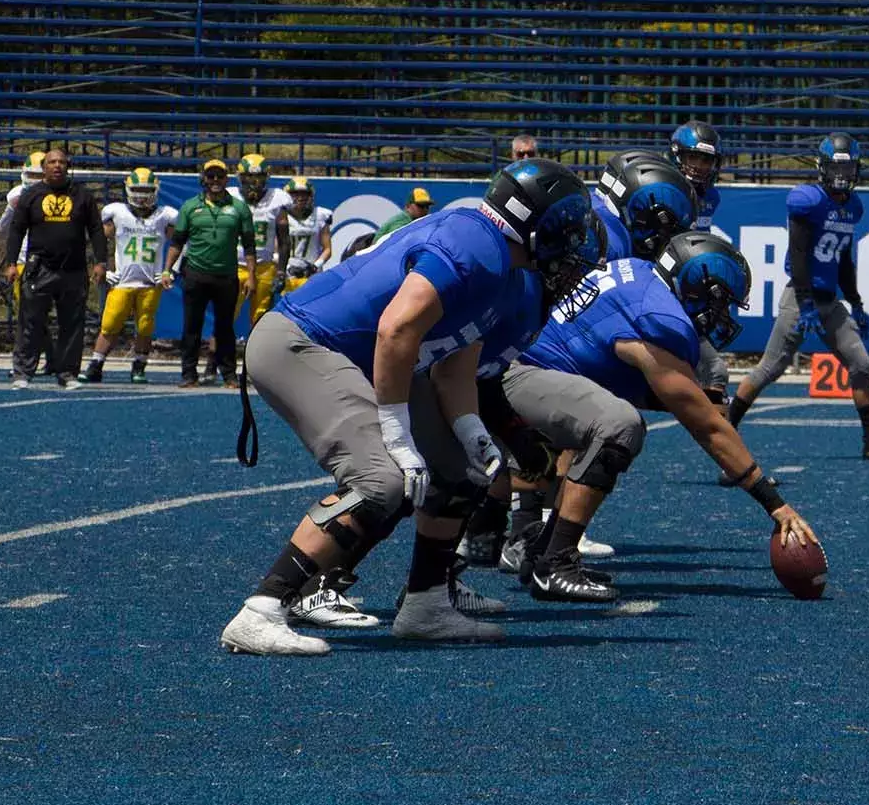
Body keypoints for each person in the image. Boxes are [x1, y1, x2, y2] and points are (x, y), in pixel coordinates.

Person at [220, 158, 600, 655]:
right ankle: (262, 608)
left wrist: (469, 426)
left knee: (461, 471)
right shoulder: (476, 243)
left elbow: (455, 357)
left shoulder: (503, 268)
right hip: (305, 342)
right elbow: (396, 328)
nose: (569, 247)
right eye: (563, 228)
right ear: (534, 220)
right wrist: (398, 435)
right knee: (384, 480)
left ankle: (426, 603)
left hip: (359, 357)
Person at [488, 232, 823, 598]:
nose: (722, 315)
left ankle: (543, 553)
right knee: (619, 425)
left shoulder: (638, 274)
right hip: (519, 379)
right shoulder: (661, 318)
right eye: (721, 302)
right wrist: (775, 505)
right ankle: (555, 563)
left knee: (603, 423)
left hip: (514, 371)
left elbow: (612, 368)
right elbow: (708, 428)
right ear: (698, 288)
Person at [726, 133, 869, 462]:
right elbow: (798, 255)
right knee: (770, 368)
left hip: (830, 301)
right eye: (836, 167)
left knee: (861, 363)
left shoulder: (853, 206)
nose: (842, 174)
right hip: (801, 298)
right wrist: (806, 302)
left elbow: (843, 259)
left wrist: (856, 302)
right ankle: (725, 429)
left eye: (848, 167)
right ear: (821, 167)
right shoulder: (807, 200)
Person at [0, 150, 109, 390]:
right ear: (44, 167)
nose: (57, 166)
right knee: (30, 321)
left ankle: (68, 373)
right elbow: (16, 230)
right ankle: (23, 372)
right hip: (40, 269)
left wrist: (101, 262)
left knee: (72, 324)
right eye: (52, 162)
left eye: (61, 162)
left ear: (68, 166)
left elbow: (96, 230)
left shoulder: (82, 196)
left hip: (73, 269)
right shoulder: (31, 196)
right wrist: (10, 263)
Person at [165, 160, 256, 388]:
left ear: (227, 179)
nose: (215, 181)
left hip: (226, 276)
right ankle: (189, 374)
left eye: (220, 176)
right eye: (211, 176)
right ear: (203, 179)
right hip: (196, 274)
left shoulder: (239, 207)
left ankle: (229, 375)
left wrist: (252, 275)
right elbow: (177, 241)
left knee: (225, 327)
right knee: (191, 326)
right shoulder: (189, 207)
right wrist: (167, 269)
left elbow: (250, 245)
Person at [85, 169, 176, 384]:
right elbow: (99, 241)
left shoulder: (165, 215)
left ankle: (139, 366)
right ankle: (96, 364)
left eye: (147, 191)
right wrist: (104, 267)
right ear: (128, 189)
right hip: (122, 281)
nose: (142, 196)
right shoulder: (116, 212)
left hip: (149, 283)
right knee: (110, 323)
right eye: (137, 190)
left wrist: (169, 271)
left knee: (145, 327)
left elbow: (181, 245)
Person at [669, 121, 732, 401]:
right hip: (659, 295)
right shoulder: (666, 192)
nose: (698, 166)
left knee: (714, 372)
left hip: (684, 296)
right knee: (714, 370)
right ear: (677, 156)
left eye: (705, 159)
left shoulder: (711, 197)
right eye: (693, 156)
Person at [0, 152, 48, 379]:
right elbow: (3, 226)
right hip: (24, 262)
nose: (36, 180)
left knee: (36, 315)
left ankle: (46, 360)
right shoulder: (17, 195)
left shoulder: (59, 196)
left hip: (49, 262)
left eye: (40, 175)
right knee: (28, 315)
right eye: (32, 175)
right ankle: (30, 361)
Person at [230, 154, 292, 329]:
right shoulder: (230, 197)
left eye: (258, 177)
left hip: (264, 267)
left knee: (261, 321)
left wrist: (280, 271)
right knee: (225, 316)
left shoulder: (277, 199)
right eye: (249, 177)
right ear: (240, 178)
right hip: (235, 265)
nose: (253, 182)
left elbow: (284, 240)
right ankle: (217, 356)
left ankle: (256, 356)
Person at [281, 178, 333, 291]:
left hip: (312, 274)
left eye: (304, 194)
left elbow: (327, 249)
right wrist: (288, 267)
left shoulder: (321, 215)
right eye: (295, 194)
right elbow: (275, 250)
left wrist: (314, 266)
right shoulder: (281, 216)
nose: (300, 198)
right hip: (288, 275)